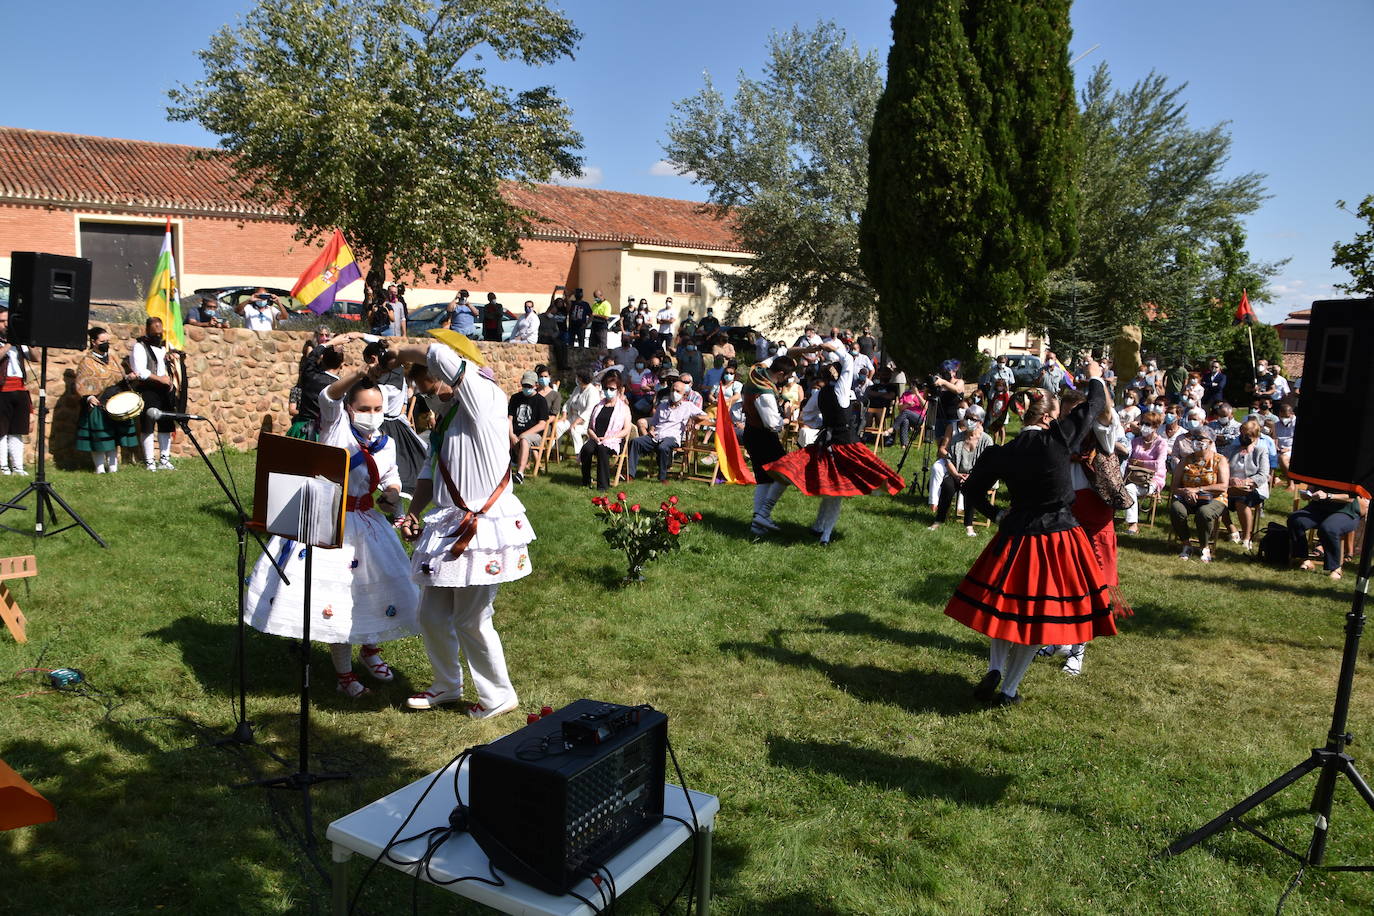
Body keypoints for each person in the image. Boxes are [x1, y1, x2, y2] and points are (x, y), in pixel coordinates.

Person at [943, 361, 1116, 706]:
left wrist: (997, 513)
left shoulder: (1001, 452)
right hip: (1057, 536)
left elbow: (971, 490)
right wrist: (1095, 373)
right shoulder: (1058, 437)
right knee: (1039, 617)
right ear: (1049, 418)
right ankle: (1008, 690)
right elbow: (1096, 404)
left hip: (1016, 534)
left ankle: (995, 666)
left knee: (1006, 610)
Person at [243, 362, 420, 698]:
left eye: (378, 408)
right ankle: (344, 675)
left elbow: (392, 476)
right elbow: (328, 394)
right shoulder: (336, 427)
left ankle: (370, 651)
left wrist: (393, 492)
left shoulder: (387, 442)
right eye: (364, 408)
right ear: (350, 409)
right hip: (331, 525)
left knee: (372, 591)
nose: (372, 414)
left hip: (369, 526)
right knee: (338, 599)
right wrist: (360, 373)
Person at [395, 334, 534, 717]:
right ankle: (446, 685)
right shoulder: (449, 416)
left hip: (483, 525)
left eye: (422, 383)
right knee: (432, 615)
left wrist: (396, 350)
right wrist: (414, 512)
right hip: (448, 522)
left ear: (443, 375)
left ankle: (498, 696)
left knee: (471, 617)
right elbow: (429, 470)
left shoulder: (484, 396)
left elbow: (438, 353)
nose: (421, 392)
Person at [764, 341, 904, 545]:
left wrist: (826, 423)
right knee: (835, 490)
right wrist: (833, 348)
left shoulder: (819, 394)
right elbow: (848, 361)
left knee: (830, 489)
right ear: (839, 376)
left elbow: (809, 416)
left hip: (826, 444)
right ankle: (825, 534)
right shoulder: (840, 390)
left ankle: (818, 526)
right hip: (845, 447)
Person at [742, 356, 797, 536]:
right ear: (780, 373)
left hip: (752, 433)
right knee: (786, 473)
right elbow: (772, 423)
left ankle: (757, 524)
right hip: (762, 436)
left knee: (764, 478)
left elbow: (776, 356)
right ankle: (764, 513)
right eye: (786, 376)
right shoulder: (764, 391)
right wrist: (787, 419)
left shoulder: (756, 374)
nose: (786, 381)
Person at [74, 327, 138, 473]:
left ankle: (113, 468)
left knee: (114, 435)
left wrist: (129, 377)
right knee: (100, 436)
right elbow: (81, 383)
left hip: (115, 401)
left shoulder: (113, 359)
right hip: (97, 403)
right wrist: (89, 396)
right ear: (93, 342)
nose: (106, 344)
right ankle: (99, 467)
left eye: (107, 341)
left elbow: (120, 378)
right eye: (102, 341)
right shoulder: (86, 361)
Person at [626, 377, 703, 482]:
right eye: (673, 390)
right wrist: (651, 430)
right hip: (657, 435)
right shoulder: (662, 406)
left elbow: (705, 417)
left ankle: (662, 477)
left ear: (684, 395)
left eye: (677, 391)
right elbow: (654, 422)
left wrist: (691, 418)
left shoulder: (688, 406)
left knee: (663, 447)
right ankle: (630, 474)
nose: (674, 393)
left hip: (672, 437)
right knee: (635, 442)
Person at [928, 411, 993, 536]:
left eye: (972, 419)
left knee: (971, 487)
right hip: (957, 472)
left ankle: (969, 525)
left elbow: (987, 465)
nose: (968, 421)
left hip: (978, 476)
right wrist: (956, 475)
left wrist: (972, 476)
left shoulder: (986, 440)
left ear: (980, 422)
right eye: (967, 418)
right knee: (947, 485)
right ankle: (939, 520)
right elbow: (949, 460)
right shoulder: (957, 438)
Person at [1169, 435, 1230, 562]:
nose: (1198, 442)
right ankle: (1186, 544)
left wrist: (1198, 490)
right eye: (1196, 439)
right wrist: (1186, 491)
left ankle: (1204, 546)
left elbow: (1223, 486)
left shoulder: (1220, 460)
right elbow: (1174, 487)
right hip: (1187, 498)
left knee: (1204, 513)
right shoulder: (1186, 460)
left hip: (1214, 498)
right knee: (1176, 508)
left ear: (1210, 442)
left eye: (1202, 440)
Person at [131, 317, 179, 471]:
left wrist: (173, 359)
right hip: (149, 389)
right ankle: (150, 461)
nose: (158, 334)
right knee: (148, 425)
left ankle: (164, 459)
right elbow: (140, 371)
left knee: (166, 424)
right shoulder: (140, 346)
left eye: (160, 330)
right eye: (154, 330)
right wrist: (159, 379)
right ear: (147, 330)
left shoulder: (166, 346)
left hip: (165, 391)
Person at [1290, 489, 1366, 580]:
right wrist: (1308, 493)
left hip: (1346, 510)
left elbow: (1350, 498)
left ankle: (1335, 568)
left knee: (1329, 528)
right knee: (1295, 521)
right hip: (1318, 507)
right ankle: (1304, 559)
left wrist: (1328, 495)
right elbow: (1311, 486)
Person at [580, 371, 632, 491]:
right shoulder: (598, 406)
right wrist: (594, 437)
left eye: (612, 388)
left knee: (602, 449)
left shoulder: (623, 408)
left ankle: (603, 486)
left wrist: (609, 438)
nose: (608, 391)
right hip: (596, 438)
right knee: (587, 449)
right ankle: (586, 481)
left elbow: (626, 429)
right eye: (606, 388)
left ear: (618, 389)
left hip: (614, 440)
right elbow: (590, 428)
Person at [1225, 418, 1270, 551]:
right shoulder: (1231, 449)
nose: (1244, 437)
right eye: (1242, 434)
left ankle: (1246, 537)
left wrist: (1246, 482)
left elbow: (1263, 475)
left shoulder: (1261, 451)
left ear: (1255, 436)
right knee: (1215, 499)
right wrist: (1231, 479)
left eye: (1247, 435)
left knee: (1241, 500)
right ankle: (1232, 530)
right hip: (1231, 486)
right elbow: (1223, 469)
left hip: (1253, 488)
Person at [0, 309, 35, 476]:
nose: (6, 324)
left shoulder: (18, 343)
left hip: (19, 389)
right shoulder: (6, 343)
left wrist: (29, 341)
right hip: (2, 390)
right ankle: (3, 466)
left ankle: (18, 467)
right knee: (1, 430)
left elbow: (35, 357)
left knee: (17, 430)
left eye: (8, 321)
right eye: (2, 321)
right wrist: (9, 344)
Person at [1122, 414, 1168, 534]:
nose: (1143, 427)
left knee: (1129, 489)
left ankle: (1133, 524)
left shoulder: (1161, 443)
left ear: (1156, 426)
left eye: (1147, 424)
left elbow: (1158, 465)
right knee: (1127, 488)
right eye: (1142, 423)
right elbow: (1127, 460)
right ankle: (1130, 523)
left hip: (1153, 480)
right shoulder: (1135, 441)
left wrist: (1139, 463)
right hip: (1133, 478)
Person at [508, 370, 549, 481]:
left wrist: (523, 435)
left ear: (536, 385)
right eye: (524, 385)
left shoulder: (541, 401)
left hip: (534, 435)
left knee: (525, 439)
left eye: (529, 385)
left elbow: (542, 424)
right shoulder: (515, 398)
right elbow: (509, 419)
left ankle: (519, 473)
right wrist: (511, 434)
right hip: (515, 433)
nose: (526, 387)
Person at [556, 370, 600, 456]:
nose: (576, 379)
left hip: (586, 423)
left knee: (575, 429)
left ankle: (580, 454)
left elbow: (589, 411)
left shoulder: (593, 391)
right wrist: (564, 415)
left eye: (578, 378)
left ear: (581, 379)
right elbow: (568, 402)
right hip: (572, 418)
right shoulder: (577, 389)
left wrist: (575, 423)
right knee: (558, 425)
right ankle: (555, 451)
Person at [892, 383, 927, 448]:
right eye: (912, 385)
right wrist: (907, 405)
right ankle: (904, 445)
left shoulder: (923, 394)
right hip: (906, 417)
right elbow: (899, 408)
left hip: (919, 418)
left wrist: (917, 394)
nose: (912, 387)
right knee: (905, 421)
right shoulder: (905, 394)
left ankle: (893, 428)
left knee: (906, 412)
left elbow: (925, 407)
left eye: (914, 385)